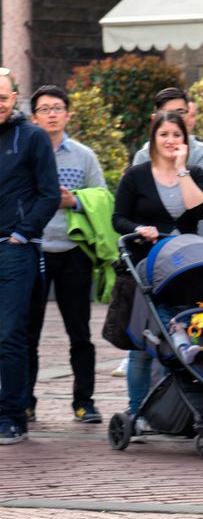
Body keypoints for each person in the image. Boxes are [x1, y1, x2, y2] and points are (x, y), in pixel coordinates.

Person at [113, 112, 203, 415]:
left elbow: (199, 212)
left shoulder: (195, 173)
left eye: (176, 135)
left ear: (185, 139)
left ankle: (177, 411)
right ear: (153, 139)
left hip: (184, 269)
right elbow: (118, 218)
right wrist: (139, 229)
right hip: (146, 268)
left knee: (184, 337)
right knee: (144, 344)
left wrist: (181, 170)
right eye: (164, 135)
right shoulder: (136, 175)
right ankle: (137, 411)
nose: (170, 141)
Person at [26, 85, 108, 424]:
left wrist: (75, 200)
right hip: (35, 249)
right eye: (44, 109)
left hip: (75, 252)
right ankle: (24, 401)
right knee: (27, 332)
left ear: (68, 114)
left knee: (80, 332)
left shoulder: (83, 155)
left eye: (57, 107)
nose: (51, 114)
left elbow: (102, 195)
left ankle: (84, 402)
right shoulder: (24, 152)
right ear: (34, 117)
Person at [0, 69, 60, 444]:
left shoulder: (33, 136)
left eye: (3, 98)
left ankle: (11, 415)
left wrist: (24, 233)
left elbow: (49, 193)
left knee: (10, 335)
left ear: (14, 98)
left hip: (14, 249)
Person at [134, 87, 203, 244]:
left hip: (198, 241)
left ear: (189, 114)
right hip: (154, 243)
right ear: (155, 119)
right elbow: (137, 204)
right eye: (168, 112)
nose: (175, 118)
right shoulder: (143, 156)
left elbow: (196, 206)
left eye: (181, 112)